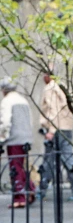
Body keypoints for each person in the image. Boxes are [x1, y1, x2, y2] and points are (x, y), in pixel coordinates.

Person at [39, 74, 73, 200]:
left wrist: (51, 130)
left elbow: (53, 110)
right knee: (67, 158)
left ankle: (41, 190)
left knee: (49, 160)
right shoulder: (63, 87)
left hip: (56, 128)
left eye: (44, 75)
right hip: (66, 127)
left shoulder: (50, 88)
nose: (43, 78)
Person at [0, 77, 35, 208]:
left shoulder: (7, 101)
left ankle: (20, 198)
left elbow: (5, 122)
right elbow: (30, 120)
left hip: (14, 138)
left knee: (15, 167)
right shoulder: (23, 100)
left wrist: (2, 138)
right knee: (21, 165)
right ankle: (30, 189)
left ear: (4, 89)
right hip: (26, 137)